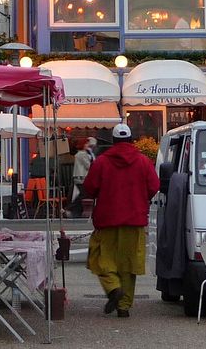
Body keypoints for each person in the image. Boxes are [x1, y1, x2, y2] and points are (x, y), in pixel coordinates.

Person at [83, 124, 159, 318]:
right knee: (128, 264)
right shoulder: (143, 161)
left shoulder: (101, 162)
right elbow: (154, 186)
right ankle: (124, 306)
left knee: (101, 258)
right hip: (134, 220)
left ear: (114, 141)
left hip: (107, 219)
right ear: (132, 139)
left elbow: (90, 187)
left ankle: (113, 288)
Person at [68, 137, 97, 218]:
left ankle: (74, 210)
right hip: (81, 177)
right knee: (83, 194)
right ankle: (71, 209)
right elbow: (88, 165)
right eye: (90, 145)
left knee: (83, 194)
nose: (91, 147)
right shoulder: (81, 154)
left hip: (84, 177)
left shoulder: (87, 153)